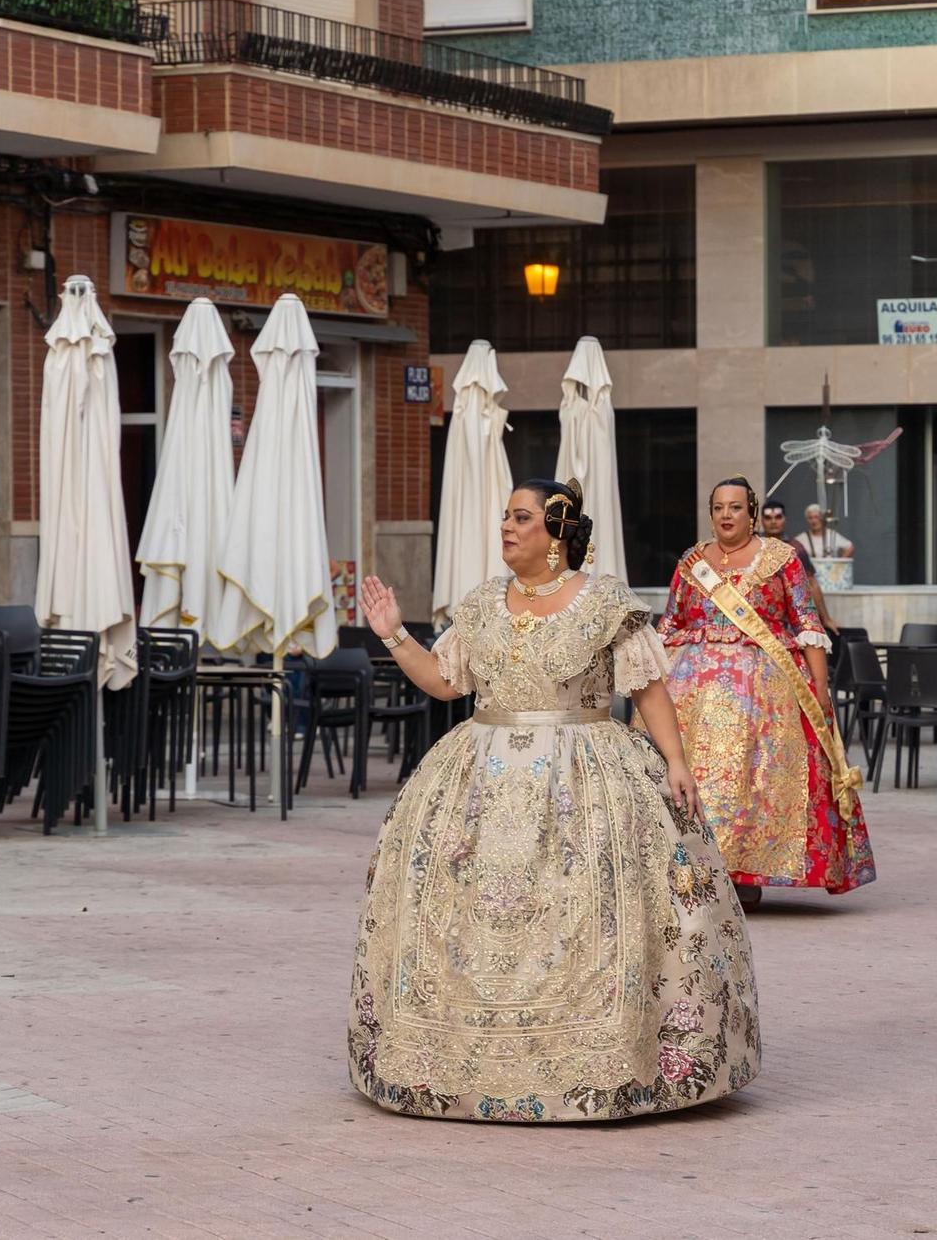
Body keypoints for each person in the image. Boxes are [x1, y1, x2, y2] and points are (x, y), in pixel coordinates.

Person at [348, 478, 760, 1122]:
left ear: (558, 532)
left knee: (590, 914)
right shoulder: (482, 605)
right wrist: (395, 635)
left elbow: (647, 687)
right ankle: (460, 1063)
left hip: (587, 777)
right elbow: (444, 683)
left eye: (520, 517)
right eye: (504, 518)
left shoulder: (603, 605)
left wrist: (676, 761)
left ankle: (605, 1062)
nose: (506, 528)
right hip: (480, 773)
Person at [661, 476, 875, 909]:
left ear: (752, 513)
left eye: (735, 507)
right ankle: (691, 865)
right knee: (689, 775)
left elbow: (808, 625)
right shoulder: (691, 561)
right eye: (718, 507)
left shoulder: (782, 559)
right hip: (690, 693)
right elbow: (670, 624)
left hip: (766, 692)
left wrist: (819, 688)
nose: (725, 515)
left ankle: (744, 871)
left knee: (754, 780)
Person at [762, 497, 838, 634]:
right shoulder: (755, 546)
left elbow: (812, 583)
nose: (773, 522)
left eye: (778, 517)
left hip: (789, 618)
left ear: (784, 520)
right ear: (761, 521)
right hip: (759, 618)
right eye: (768, 518)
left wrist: (826, 619)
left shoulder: (795, 548)